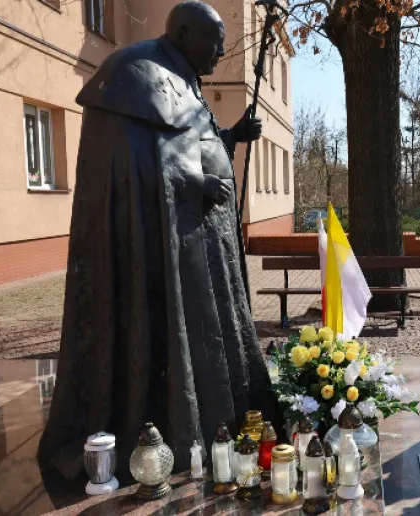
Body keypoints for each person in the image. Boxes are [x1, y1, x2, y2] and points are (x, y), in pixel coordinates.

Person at [38, 1, 280, 481]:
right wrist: (196, 184)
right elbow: (136, 164)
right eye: (215, 43)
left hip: (202, 246)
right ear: (186, 32)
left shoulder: (183, 75)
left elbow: (186, 142)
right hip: (157, 252)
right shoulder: (134, 73)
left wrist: (230, 137)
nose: (220, 54)